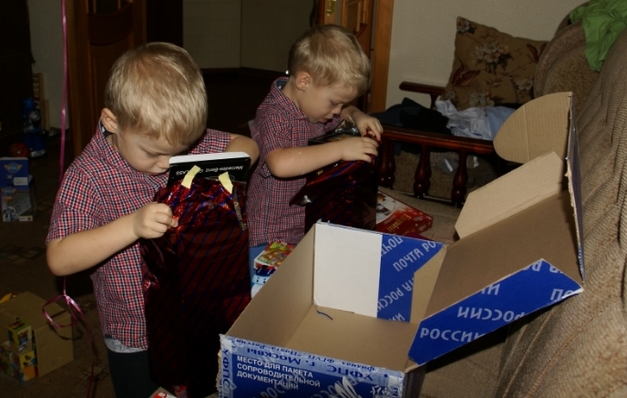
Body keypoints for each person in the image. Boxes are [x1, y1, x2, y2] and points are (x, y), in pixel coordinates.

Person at [45, 42, 258, 398]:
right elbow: (59, 257)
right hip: (135, 336)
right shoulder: (87, 176)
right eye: (153, 153)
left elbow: (247, 145)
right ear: (112, 122)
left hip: (195, 315)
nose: (167, 164)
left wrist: (213, 171)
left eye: (179, 152)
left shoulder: (173, 141)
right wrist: (131, 226)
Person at [246, 24, 383, 266]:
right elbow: (280, 163)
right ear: (304, 81)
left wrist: (356, 114)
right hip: (271, 232)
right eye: (334, 102)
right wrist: (341, 149)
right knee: (274, 286)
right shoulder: (273, 115)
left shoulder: (315, 107)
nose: (337, 111)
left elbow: (343, 112)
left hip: (306, 221)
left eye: (342, 104)